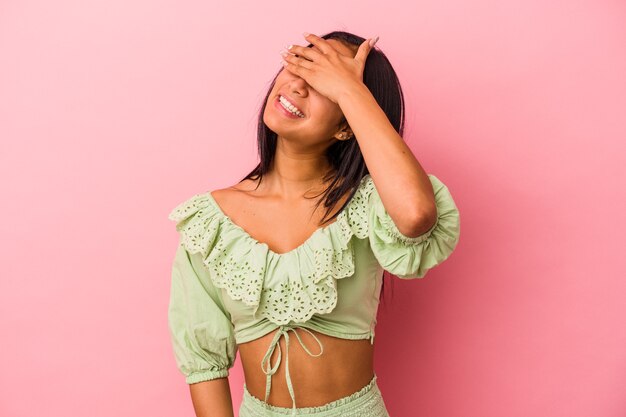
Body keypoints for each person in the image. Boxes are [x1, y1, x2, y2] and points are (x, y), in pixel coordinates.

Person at [167, 30, 461, 417]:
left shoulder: (369, 202)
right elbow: (204, 367)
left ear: (346, 124)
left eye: (325, 82)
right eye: (301, 64)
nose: (298, 86)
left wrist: (352, 92)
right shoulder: (210, 222)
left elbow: (417, 216)